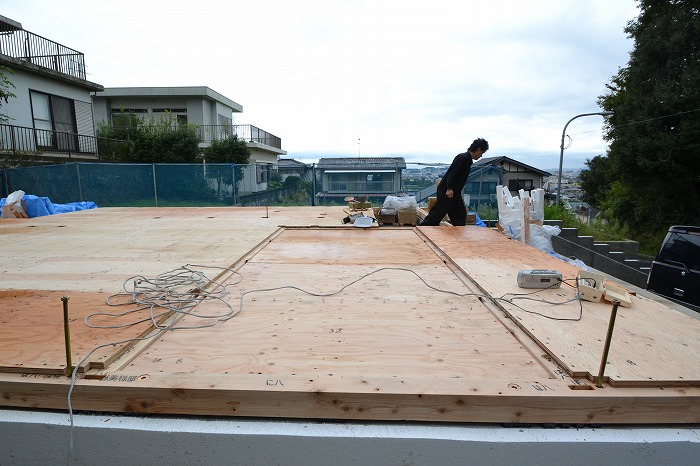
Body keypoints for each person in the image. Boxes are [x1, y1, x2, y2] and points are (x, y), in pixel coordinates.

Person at [421, 138, 489, 226]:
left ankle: (458, 234)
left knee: (460, 214)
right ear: (479, 149)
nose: (481, 156)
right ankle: (422, 229)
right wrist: (449, 188)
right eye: (482, 153)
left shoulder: (467, 159)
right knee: (437, 215)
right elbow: (453, 173)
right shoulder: (463, 158)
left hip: (454, 193)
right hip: (448, 192)